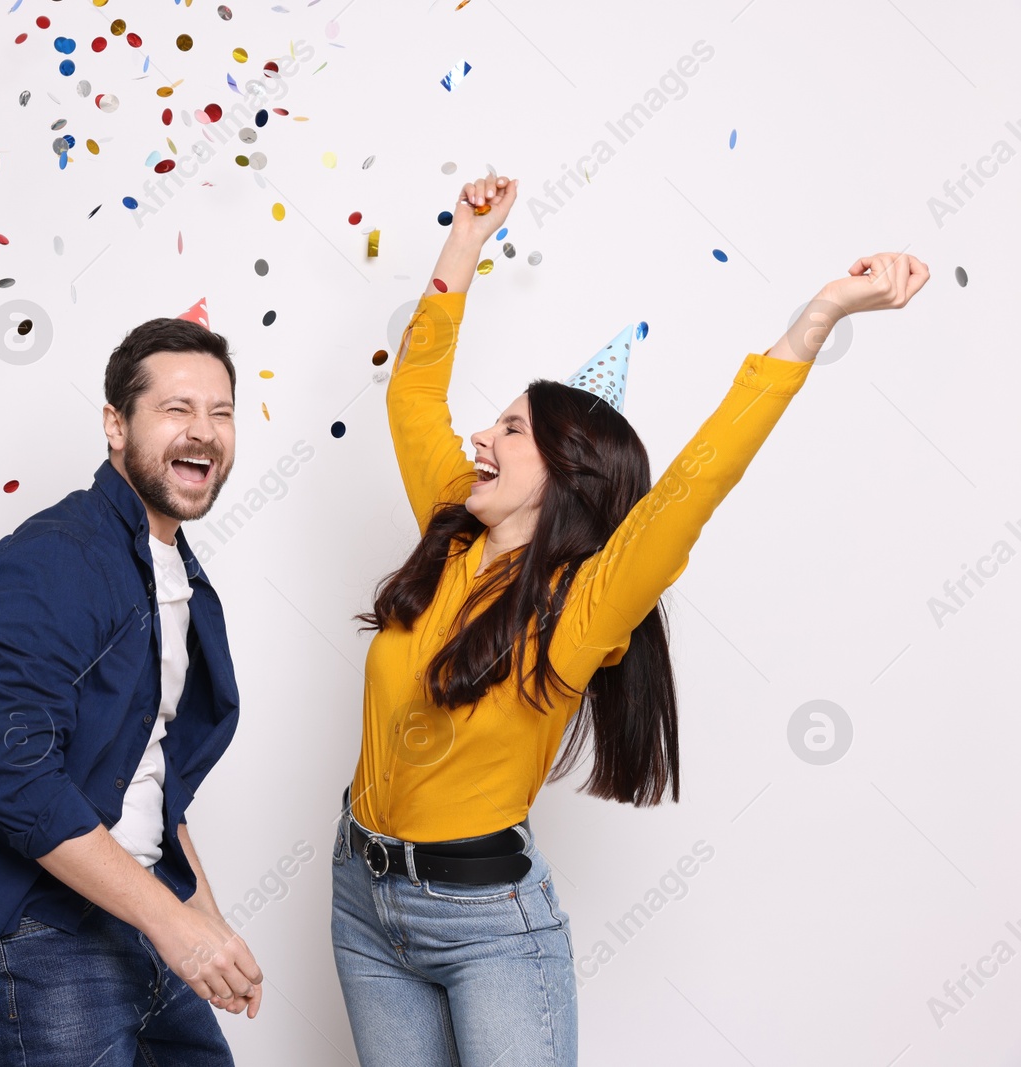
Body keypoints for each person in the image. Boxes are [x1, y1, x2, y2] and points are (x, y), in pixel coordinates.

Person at [331, 171, 928, 1066]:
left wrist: (819, 317)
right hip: (361, 897)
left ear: (566, 474)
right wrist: (465, 239)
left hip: (486, 924)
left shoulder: (586, 606)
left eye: (509, 430)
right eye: (491, 425)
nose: (478, 441)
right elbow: (411, 396)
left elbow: (697, 482)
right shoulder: (453, 524)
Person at [0, 311, 266, 1066]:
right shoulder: (51, 560)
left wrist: (205, 919)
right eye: (176, 408)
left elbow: (144, 768)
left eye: (221, 412)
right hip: (35, 918)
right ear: (115, 423)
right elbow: (16, 781)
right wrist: (174, 925)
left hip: (126, 905)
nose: (202, 430)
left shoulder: (177, 576)